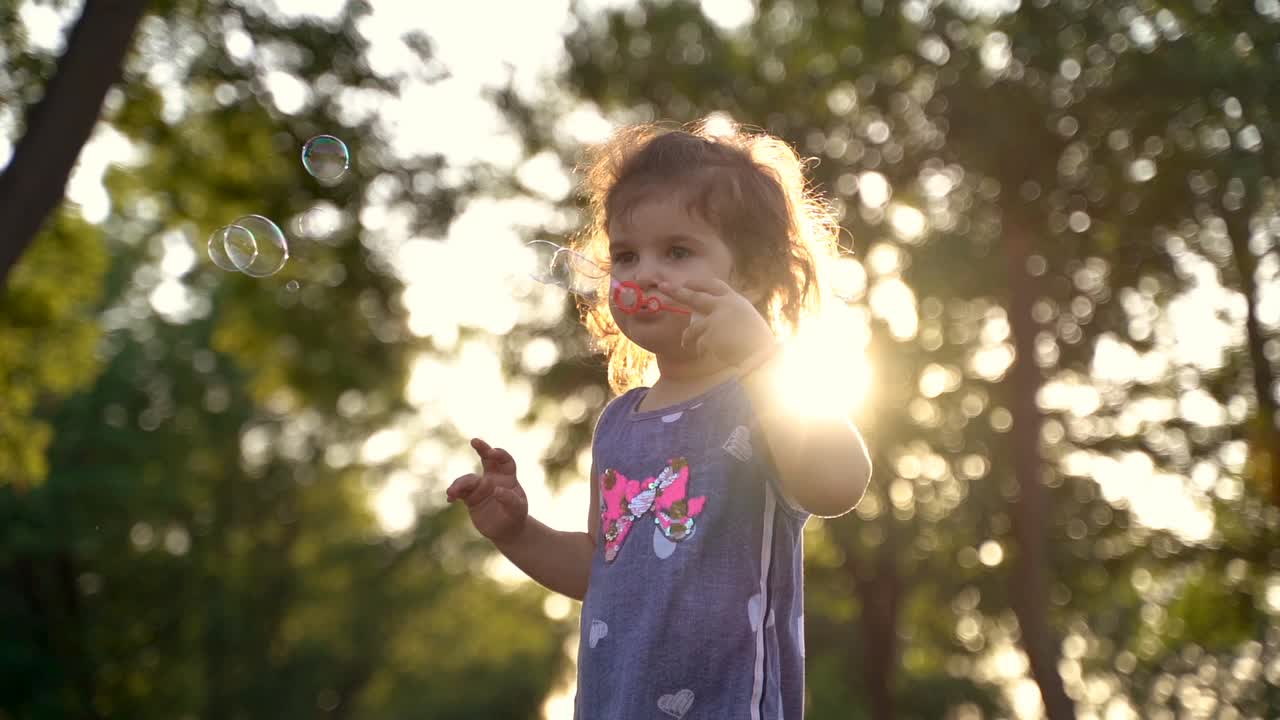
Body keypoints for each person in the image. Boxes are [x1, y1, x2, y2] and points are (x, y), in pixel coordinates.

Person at [445, 119, 872, 720]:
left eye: (677, 251)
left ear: (748, 275)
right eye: (626, 255)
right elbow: (601, 568)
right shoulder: (619, 423)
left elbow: (838, 484)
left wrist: (763, 361)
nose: (643, 274)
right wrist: (518, 533)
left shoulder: (771, 395)